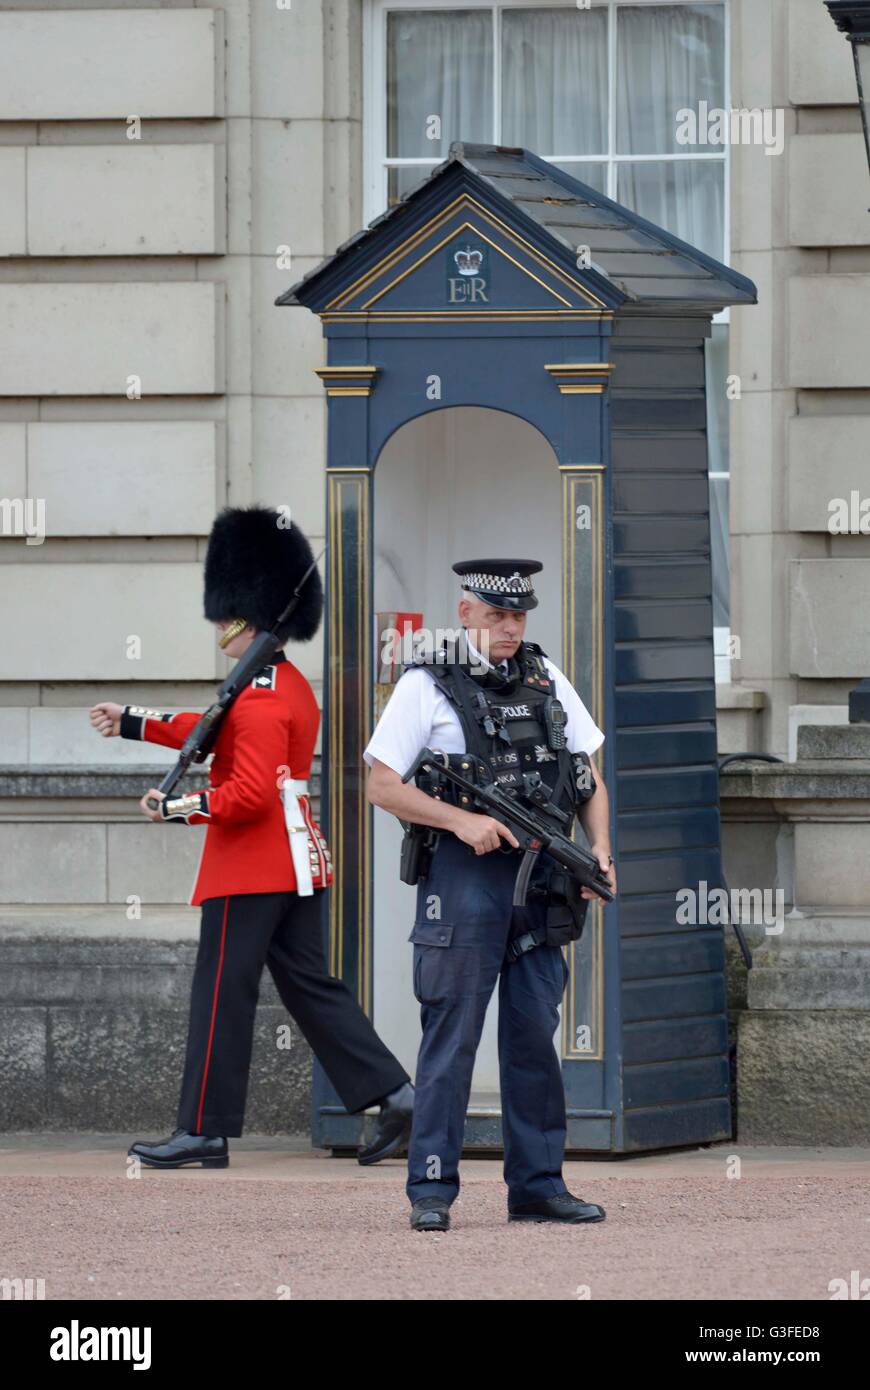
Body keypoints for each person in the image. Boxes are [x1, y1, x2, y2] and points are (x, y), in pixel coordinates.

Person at [89, 505, 413, 1169]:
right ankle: (396, 1095)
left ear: (248, 613)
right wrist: (134, 721)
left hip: (252, 864)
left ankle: (204, 1130)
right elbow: (209, 724)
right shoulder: (279, 683)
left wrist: (176, 807)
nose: (216, 625)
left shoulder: (261, 696)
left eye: (223, 614)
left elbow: (247, 794)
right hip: (293, 863)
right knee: (309, 987)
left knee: (220, 993)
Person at [364, 558, 617, 1231]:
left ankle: (537, 1185)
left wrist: (599, 851)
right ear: (466, 612)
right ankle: (432, 1190)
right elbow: (382, 784)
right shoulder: (426, 684)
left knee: (534, 1035)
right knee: (452, 1036)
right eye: (497, 615)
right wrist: (462, 820)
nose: (510, 627)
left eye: (519, 616)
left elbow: (587, 775)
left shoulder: (545, 677)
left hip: (541, 880)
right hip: (465, 879)